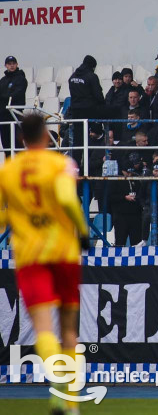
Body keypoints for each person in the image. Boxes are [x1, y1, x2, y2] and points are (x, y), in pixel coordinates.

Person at [0, 114, 88, 410]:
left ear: (21, 138)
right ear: (46, 137)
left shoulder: (8, 170)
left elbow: (1, 218)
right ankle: (71, 403)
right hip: (64, 252)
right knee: (69, 331)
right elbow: (66, 198)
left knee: (43, 330)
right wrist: (83, 231)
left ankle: (57, 381)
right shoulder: (61, 164)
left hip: (30, 256)